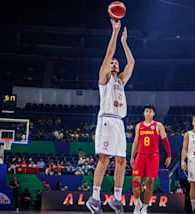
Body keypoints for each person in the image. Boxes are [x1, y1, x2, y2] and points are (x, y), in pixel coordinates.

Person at [86, 17, 135, 214]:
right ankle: (95, 198)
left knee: (121, 161)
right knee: (104, 159)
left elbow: (132, 62)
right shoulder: (104, 78)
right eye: (112, 63)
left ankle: (116, 198)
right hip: (106, 120)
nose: (114, 63)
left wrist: (125, 43)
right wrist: (115, 33)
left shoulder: (121, 81)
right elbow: (109, 53)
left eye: (116, 63)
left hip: (119, 123)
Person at [130, 104, 171, 214]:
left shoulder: (158, 125)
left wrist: (169, 155)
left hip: (153, 156)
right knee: (135, 180)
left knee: (149, 181)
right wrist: (132, 156)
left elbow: (165, 140)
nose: (148, 112)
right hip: (141, 155)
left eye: (150, 111)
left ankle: (145, 207)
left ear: (153, 114)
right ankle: (137, 203)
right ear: (144, 113)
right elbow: (135, 142)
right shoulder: (139, 126)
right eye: (146, 111)